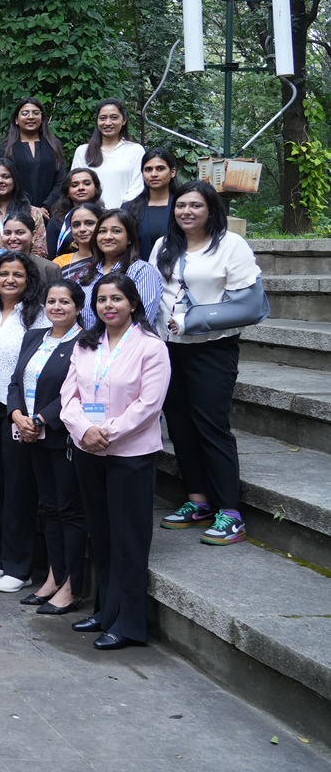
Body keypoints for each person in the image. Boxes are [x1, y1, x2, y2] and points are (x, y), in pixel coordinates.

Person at [60, 272, 170, 649]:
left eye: (117, 299)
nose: (109, 305)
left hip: (130, 454)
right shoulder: (85, 344)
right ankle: (105, 611)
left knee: (129, 539)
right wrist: (83, 430)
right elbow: (69, 396)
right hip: (89, 451)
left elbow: (149, 404)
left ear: (133, 303)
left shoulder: (151, 347)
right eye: (102, 299)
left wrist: (106, 432)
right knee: (102, 534)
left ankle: (129, 624)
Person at [154, 181, 264, 546]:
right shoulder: (164, 245)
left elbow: (250, 306)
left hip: (212, 349)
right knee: (180, 426)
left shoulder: (231, 245)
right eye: (181, 205)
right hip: (169, 349)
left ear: (211, 210)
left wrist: (194, 320)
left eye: (196, 205)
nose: (186, 211)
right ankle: (198, 501)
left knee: (211, 426)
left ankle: (230, 512)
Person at [8, 279, 85, 614]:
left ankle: (72, 586)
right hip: (30, 435)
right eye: (52, 301)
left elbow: (76, 390)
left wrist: (40, 419)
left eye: (65, 302)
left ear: (78, 307)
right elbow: (15, 381)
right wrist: (17, 416)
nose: (57, 307)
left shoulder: (86, 342)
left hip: (61, 437)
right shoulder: (34, 336)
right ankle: (54, 577)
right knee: (49, 509)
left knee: (69, 511)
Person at [0, 252, 49, 592]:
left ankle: (20, 567)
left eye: (17, 274)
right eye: (4, 274)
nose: (9, 280)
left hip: (18, 410)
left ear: (28, 280)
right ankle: (1, 558)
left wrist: (25, 412)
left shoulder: (38, 316)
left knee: (19, 489)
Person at [68, 209, 164, 327]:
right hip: (84, 338)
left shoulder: (142, 271)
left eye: (116, 231)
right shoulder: (86, 272)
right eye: (102, 231)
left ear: (129, 238)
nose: (107, 237)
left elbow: (142, 322)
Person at [72, 99, 146, 209]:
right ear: (97, 121)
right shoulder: (83, 151)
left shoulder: (135, 150)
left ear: (124, 120)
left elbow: (137, 187)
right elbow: (75, 185)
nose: (107, 123)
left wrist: (119, 213)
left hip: (125, 214)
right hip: (90, 215)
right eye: (103, 118)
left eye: (114, 117)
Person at [0, 97, 67, 215]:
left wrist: (45, 206)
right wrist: (29, 208)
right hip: (15, 213)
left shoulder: (54, 145)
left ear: (42, 118)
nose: (30, 117)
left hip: (50, 213)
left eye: (36, 113)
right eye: (25, 113)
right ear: (16, 120)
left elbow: (60, 181)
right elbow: (2, 182)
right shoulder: (5, 149)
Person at [0, 212, 61, 298]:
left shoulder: (49, 270)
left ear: (33, 235)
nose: (12, 238)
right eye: (7, 233)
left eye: (20, 233)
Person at [122, 147, 180, 259]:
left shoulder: (183, 207)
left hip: (177, 267)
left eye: (160, 169)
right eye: (148, 169)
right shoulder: (129, 208)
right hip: (137, 268)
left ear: (172, 172)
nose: (153, 174)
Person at [46, 168, 102, 259]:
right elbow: (51, 257)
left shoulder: (105, 217)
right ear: (67, 192)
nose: (81, 188)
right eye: (75, 185)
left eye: (87, 184)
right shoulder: (57, 220)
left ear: (96, 188)